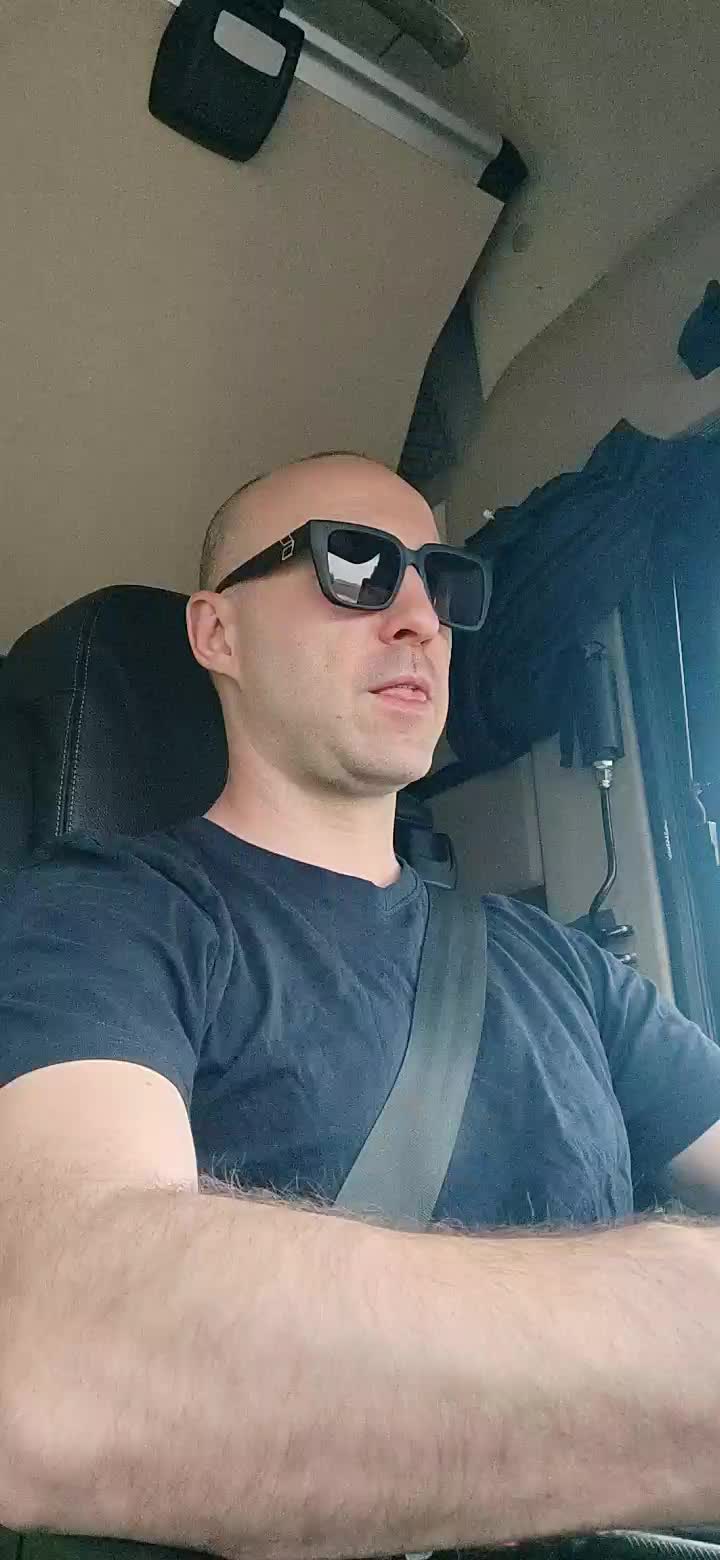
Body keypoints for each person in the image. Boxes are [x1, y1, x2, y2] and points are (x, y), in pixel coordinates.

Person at [2, 451, 720, 1560]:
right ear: (217, 633)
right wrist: (675, 1329)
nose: (421, 619)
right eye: (356, 564)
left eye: (444, 579)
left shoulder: (567, 966)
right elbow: (67, 1342)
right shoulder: (102, 917)